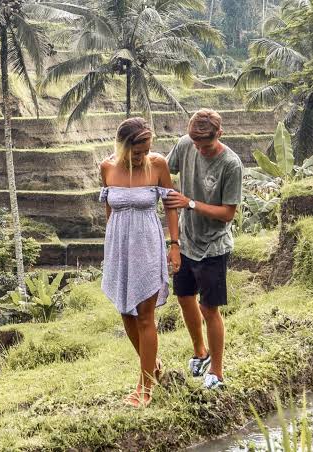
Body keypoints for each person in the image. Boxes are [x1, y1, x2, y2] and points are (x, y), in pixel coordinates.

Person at [99, 117, 180, 408]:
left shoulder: (158, 165)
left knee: (145, 316)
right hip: (119, 248)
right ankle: (154, 367)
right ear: (123, 146)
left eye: (146, 149)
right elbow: (110, 211)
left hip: (148, 245)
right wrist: (111, 252)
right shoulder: (107, 167)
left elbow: (171, 208)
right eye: (137, 151)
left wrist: (175, 246)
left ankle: (144, 387)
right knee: (125, 313)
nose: (142, 156)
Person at [163, 109, 243, 390]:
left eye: (205, 145)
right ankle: (201, 352)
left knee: (209, 308)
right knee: (184, 297)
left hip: (214, 246)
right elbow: (164, 169)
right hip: (186, 240)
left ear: (219, 135)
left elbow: (228, 213)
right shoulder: (186, 144)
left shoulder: (230, 164)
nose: (199, 149)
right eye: (196, 143)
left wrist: (190, 203)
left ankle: (217, 372)